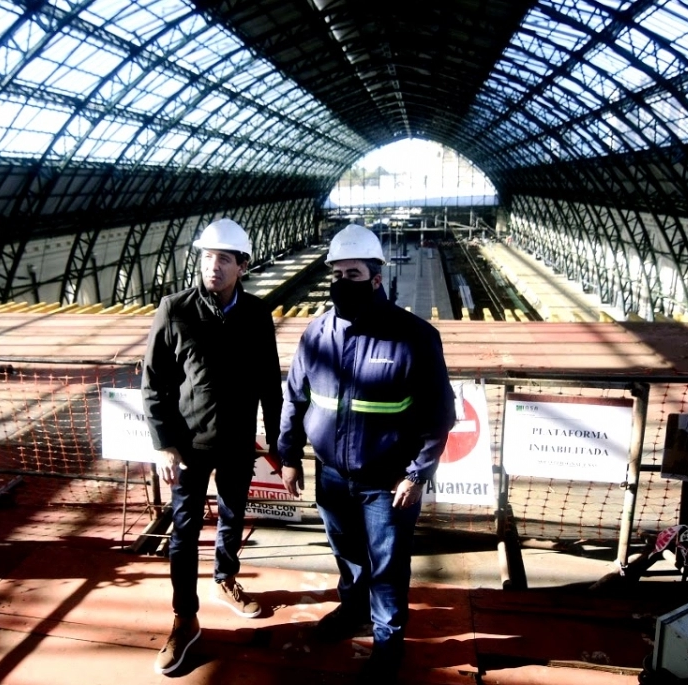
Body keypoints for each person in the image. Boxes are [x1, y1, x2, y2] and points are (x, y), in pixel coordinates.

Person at [277, 224, 455, 683]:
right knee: (348, 554)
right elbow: (295, 396)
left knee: (388, 564)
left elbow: (440, 415)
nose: (341, 281)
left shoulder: (413, 336)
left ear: (376, 278)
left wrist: (417, 475)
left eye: (352, 273)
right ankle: (353, 611)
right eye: (336, 273)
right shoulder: (317, 333)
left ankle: (388, 639)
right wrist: (290, 454)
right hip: (332, 475)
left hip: (387, 480)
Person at [143, 218, 283, 676]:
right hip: (188, 448)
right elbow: (153, 385)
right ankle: (185, 618)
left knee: (232, 515)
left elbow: (269, 386)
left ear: (242, 265)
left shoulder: (258, 315)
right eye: (207, 257)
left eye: (224, 258)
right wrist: (165, 445)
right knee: (182, 533)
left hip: (238, 443)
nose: (213, 266)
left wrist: (277, 443)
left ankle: (226, 578)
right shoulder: (174, 309)